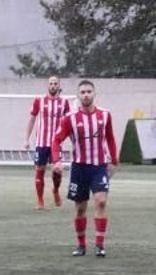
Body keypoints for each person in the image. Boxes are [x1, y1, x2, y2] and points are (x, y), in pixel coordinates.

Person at [54, 79, 117, 258]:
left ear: (94, 94)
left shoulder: (105, 115)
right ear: (78, 95)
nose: (86, 95)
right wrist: (57, 160)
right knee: (81, 208)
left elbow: (110, 138)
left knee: (101, 201)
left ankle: (99, 245)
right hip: (79, 168)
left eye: (89, 91)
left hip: (99, 166)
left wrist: (114, 161)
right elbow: (56, 140)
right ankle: (81, 245)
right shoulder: (70, 119)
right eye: (82, 92)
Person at [24, 75, 72, 209]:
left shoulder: (64, 102)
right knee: (40, 170)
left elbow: (69, 123)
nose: (53, 86)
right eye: (50, 83)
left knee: (58, 170)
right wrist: (26, 139)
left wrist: (74, 140)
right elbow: (32, 120)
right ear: (47, 85)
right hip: (41, 143)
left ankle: (55, 190)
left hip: (56, 143)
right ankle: (40, 201)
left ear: (58, 86)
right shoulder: (39, 100)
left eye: (55, 83)